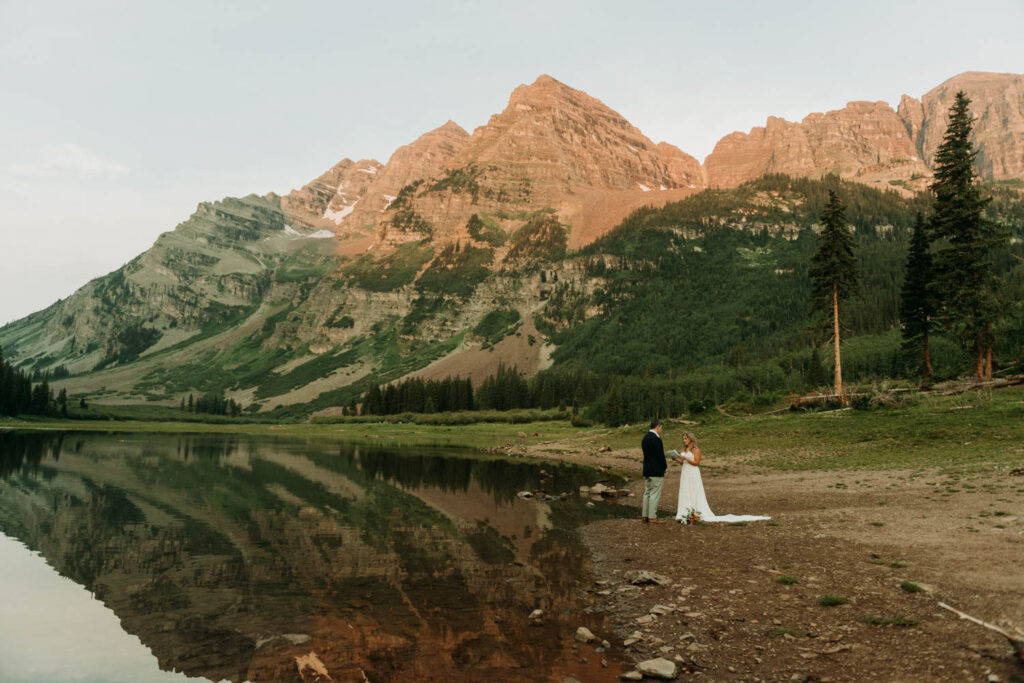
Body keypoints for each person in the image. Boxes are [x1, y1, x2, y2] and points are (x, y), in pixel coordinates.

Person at [674, 431, 770, 523]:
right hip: (685, 473)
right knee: (686, 491)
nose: (684, 440)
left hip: (693, 473)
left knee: (693, 491)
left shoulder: (696, 450)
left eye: (685, 439)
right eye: (683, 439)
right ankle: (685, 512)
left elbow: (696, 463)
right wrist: (677, 460)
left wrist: (685, 458)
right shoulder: (685, 450)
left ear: (691, 439)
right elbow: (684, 463)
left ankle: (695, 512)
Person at [641, 419, 668, 524]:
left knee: (647, 492)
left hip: (647, 469)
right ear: (658, 426)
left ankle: (645, 516)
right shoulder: (657, 439)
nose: (661, 430)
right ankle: (652, 517)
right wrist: (665, 467)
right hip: (656, 470)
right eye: (661, 427)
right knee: (654, 493)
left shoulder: (645, 438)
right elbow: (660, 456)